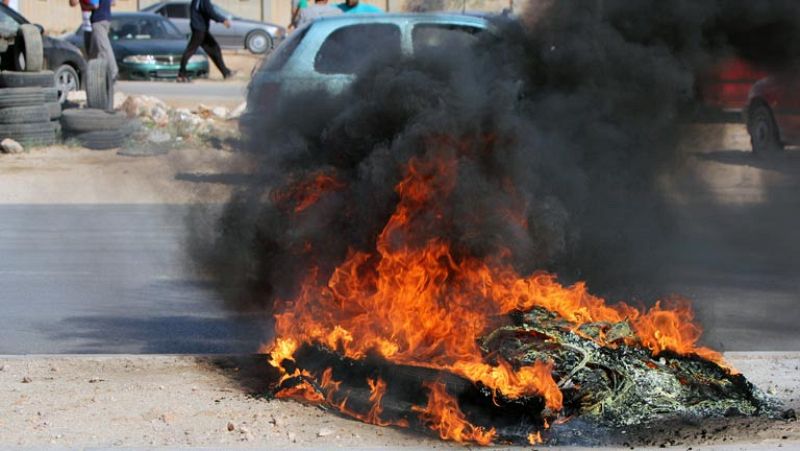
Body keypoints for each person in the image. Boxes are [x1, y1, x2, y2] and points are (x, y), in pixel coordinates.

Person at [177, 0, 234, 82]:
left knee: (214, 49)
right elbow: (210, 12)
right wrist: (223, 20)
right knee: (190, 50)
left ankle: (226, 72)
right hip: (200, 29)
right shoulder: (204, 1)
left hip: (199, 29)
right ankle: (181, 74)